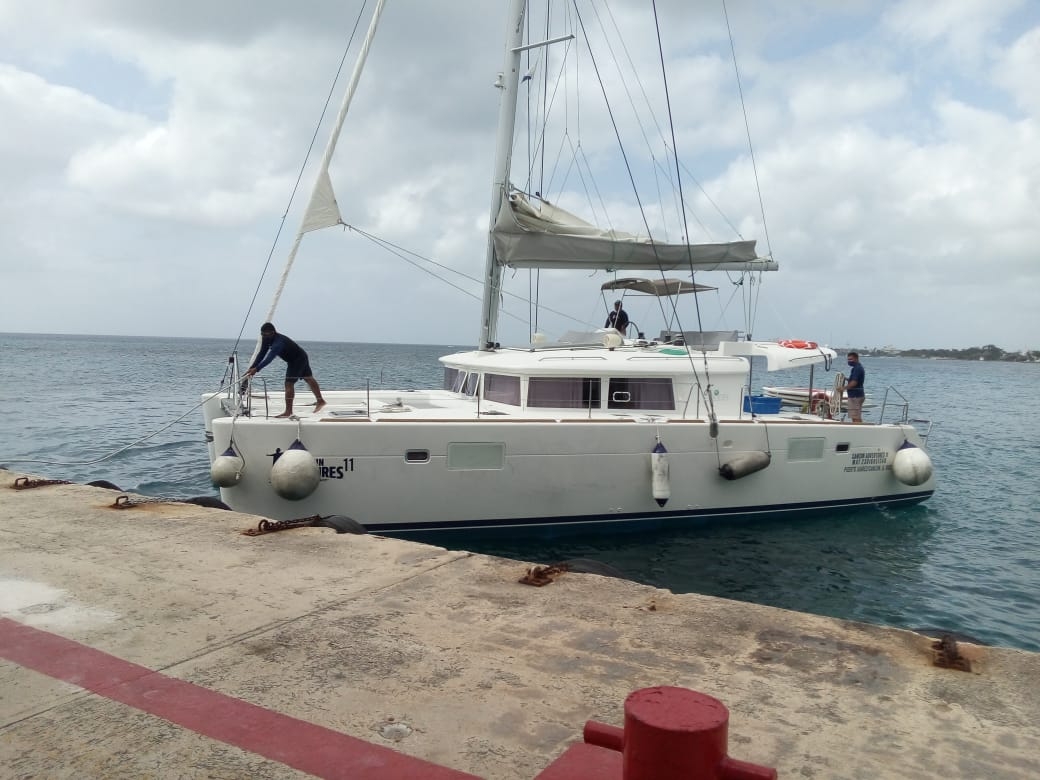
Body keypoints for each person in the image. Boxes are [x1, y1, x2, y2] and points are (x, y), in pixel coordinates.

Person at [243, 323, 326, 417]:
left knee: (289, 384)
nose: (266, 337)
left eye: (268, 335)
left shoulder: (279, 342)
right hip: (297, 357)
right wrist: (252, 368)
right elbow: (262, 353)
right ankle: (320, 401)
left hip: (297, 359)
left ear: (274, 333)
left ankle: (288, 411)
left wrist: (257, 369)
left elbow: (269, 358)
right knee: (308, 378)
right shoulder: (266, 339)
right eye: (263, 335)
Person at [845, 351, 865, 423]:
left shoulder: (857, 368)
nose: (849, 361)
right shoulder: (856, 368)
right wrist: (847, 379)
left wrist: (843, 388)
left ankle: (859, 431)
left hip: (855, 396)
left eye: (851, 359)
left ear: (856, 359)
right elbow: (855, 380)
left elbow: (854, 383)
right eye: (848, 359)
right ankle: (862, 430)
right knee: (856, 416)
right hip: (857, 395)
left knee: (855, 417)